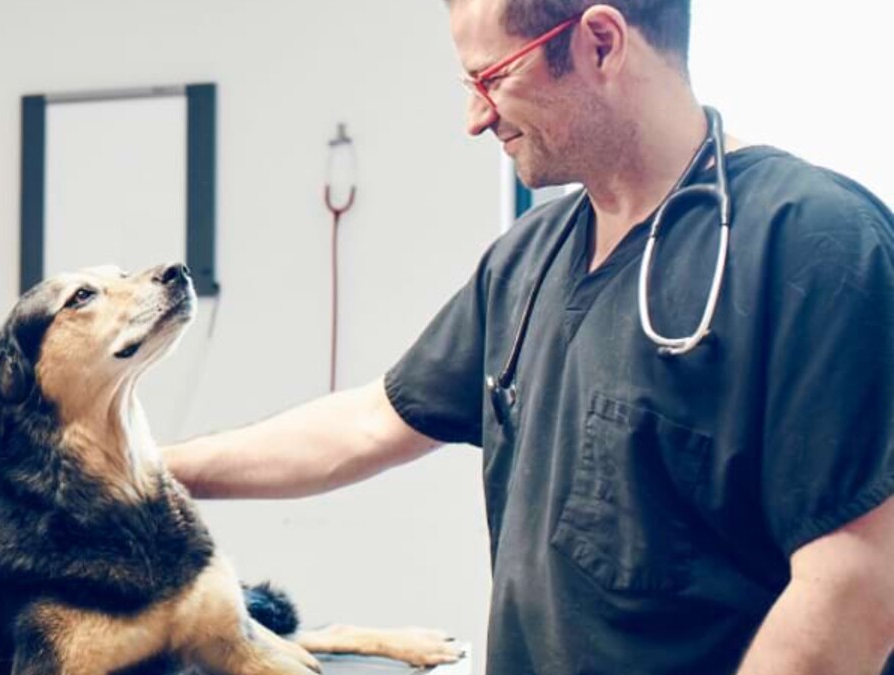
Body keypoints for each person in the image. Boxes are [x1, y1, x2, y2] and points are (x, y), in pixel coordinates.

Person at [165, 1, 894, 673]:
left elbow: (858, 588)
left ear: (600, 43)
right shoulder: (529, 258)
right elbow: (370, 423)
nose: (474, 118)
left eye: (492, 78)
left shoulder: (814, 242)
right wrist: (150, 468)